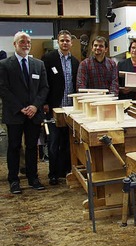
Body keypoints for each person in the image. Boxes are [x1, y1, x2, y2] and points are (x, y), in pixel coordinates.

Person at [0, 32, 49, 193]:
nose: (26, 44)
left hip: (34, 114)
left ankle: (33, 177)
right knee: (14, 146)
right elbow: (4, 89)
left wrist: (35, 106)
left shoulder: (38, 64)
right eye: (22, 41)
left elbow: (44, 88)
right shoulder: (5, 65)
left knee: (32, 147)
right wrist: (21, 107)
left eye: (28, 41)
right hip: (15, 114)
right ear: (15, 44)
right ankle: (14, 180)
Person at [41, 30, 79, 186]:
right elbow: (43, 83)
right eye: (62, 40)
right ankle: (53, 174)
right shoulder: (48, 59)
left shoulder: (76, 62)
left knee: (66, 141)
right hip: (54, 107)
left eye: (67, 41)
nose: (65, 43)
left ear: (71, 43)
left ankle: (64, 171)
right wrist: (44, 102)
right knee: (53, 142)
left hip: (70, 109)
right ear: (58, 42)